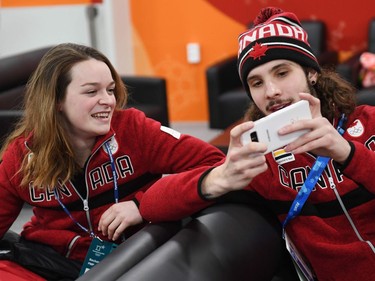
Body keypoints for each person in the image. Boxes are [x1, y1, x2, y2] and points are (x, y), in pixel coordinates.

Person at [139, 7, 375, 281]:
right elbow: (152, 205)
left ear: (311, 73)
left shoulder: (368, 122)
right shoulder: (260, 160)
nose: (271, 91)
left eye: (282, 73)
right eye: (257, 82)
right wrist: (220, 177)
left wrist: (347, 153)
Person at [0, 43, 225, 280]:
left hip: (129, 258)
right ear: (56, 100)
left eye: (110, 90)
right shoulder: (22, 154)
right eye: (91, 92)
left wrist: (143, 205)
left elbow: (214, 163)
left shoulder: (134, 130)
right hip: (49, 260)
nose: (108, 101)